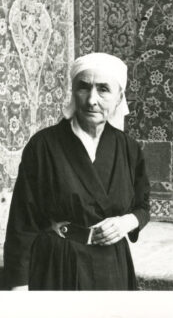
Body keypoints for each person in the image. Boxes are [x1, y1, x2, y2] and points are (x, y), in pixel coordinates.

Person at [3, 52, 150, 290]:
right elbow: (22, 221)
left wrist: (128, 221)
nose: (92, 99)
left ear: (119, 96)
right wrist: (19, 284)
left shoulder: (129, 148)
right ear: (73, 91)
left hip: (113, 265)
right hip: (59, 263)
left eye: (103, 89)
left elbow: (143, 205)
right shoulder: (43, 146)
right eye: (83, 87)